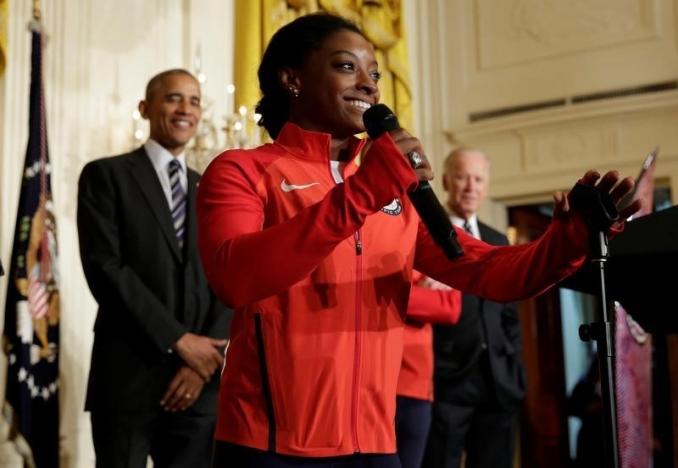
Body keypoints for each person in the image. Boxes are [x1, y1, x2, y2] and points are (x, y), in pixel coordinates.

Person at [196, 12, 640, 468]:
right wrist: (363, 192)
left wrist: (568, 242)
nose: (369, 84)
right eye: (347, 66)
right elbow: (235, 277)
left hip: (373, 444)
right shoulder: (242, 171)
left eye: (375, 73)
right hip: (268, 444)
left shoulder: (395, 193)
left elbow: (489, 272)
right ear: (291, 79)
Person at [77, 69, 231, 468]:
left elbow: (231, 271)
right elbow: (105, 268)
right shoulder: (105, 175)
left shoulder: (213, 188)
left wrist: (205, 358)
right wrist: (179, 340)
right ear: (145, 108)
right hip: (129, 378)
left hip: (199, 387)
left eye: (195, 101)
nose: (186, 110)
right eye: (173, 99)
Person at [423, 148, 524, 468]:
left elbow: (510, 312)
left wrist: (513, 364)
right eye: (463, 177)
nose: (471, 186)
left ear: (487, 185)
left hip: (498, 383)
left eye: (478, 179)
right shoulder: (425, 235)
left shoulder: (498, 240)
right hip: (446, 381)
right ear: (447, 179)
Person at [396, 273, 461, 468]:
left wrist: (391, 294)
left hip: (416, 386)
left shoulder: (429, 248)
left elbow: (449, 307)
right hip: (372, 384)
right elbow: (362, 295)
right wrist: (421, 291)